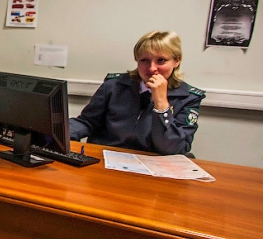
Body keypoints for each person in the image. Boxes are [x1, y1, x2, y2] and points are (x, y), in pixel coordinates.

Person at [69, 31, 204, 156]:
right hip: (105, 158)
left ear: (177, 61)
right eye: (144, 60)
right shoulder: (115, 85)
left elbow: (173, 148)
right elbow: (87, 122)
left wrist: (161, 104)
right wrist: (56, 132)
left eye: (161, 60)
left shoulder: (188, 97)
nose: (152, 68)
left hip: (151, 167)